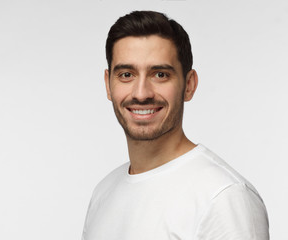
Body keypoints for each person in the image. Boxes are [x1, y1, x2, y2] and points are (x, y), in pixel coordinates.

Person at [82, 11, 269, 240]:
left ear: (189, 85)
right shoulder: (104, 192)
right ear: (108, 85)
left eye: (160, 74)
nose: (141, 94)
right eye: (126, 74)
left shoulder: (223, 198)